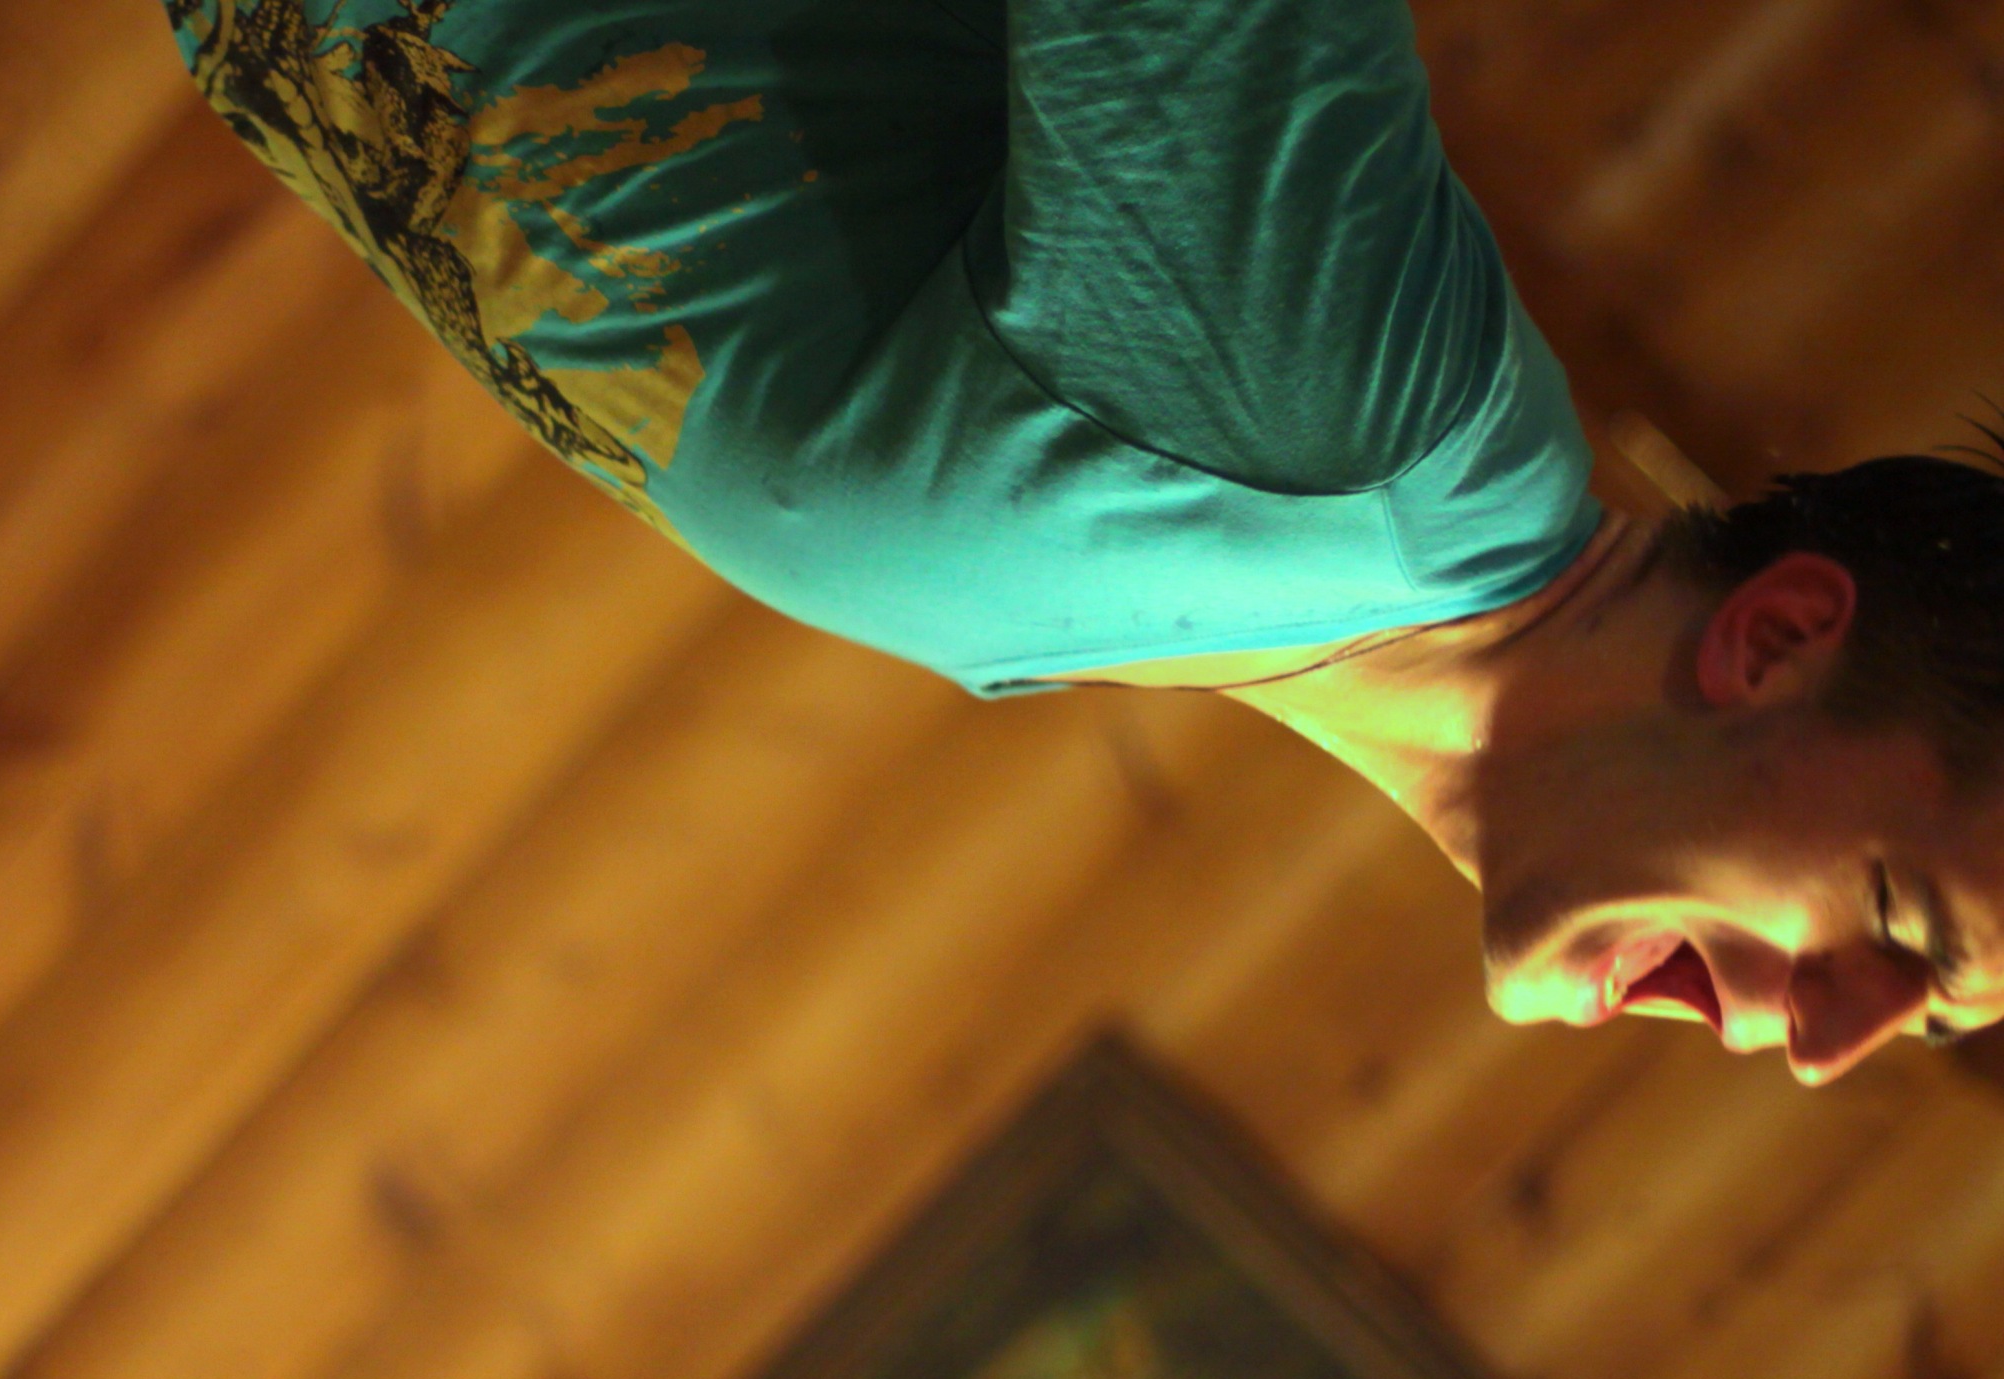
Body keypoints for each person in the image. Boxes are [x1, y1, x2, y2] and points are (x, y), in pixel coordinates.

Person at [166, 0, 2004, 1084]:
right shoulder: (1332, 420)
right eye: (1898, 925)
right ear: (1779, 640)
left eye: (1919, 1027)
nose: (1829, 1042)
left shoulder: (1292, 586)